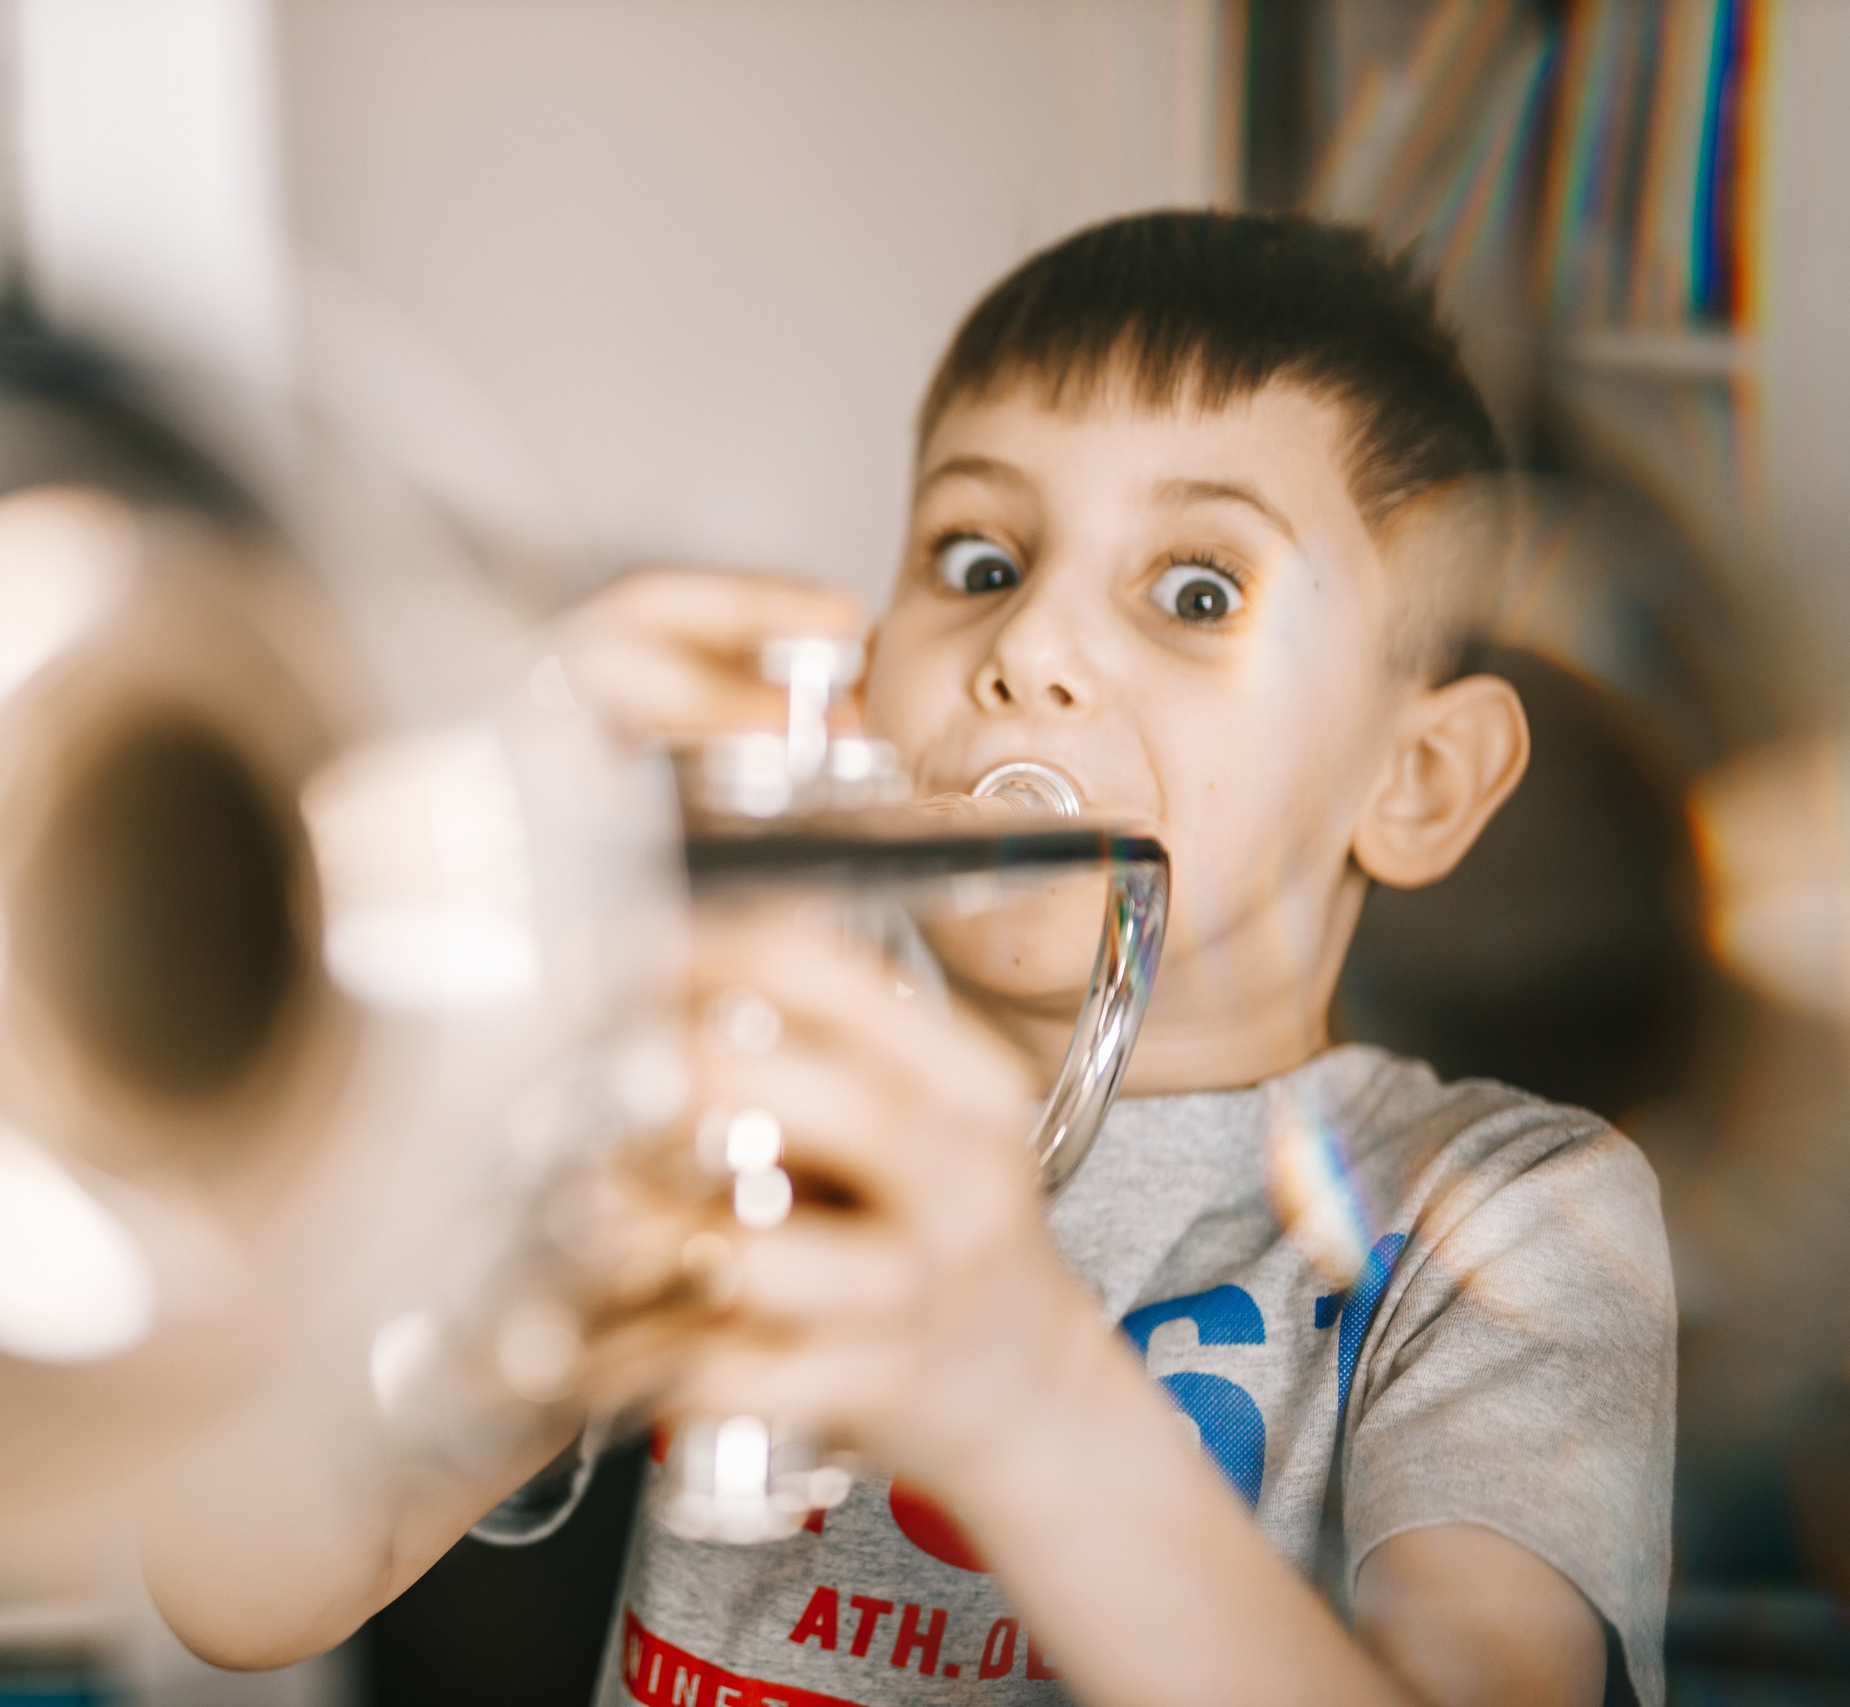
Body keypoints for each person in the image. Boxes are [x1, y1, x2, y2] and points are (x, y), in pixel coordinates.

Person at [150, 210, 1678, 1707]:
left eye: (1198, 590)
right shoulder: (735, 1095)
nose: (1032, 649)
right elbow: (236, 1588)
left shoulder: (1511, 1212)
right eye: (977, 557)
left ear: (1416, 781)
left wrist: (1017, 1388)